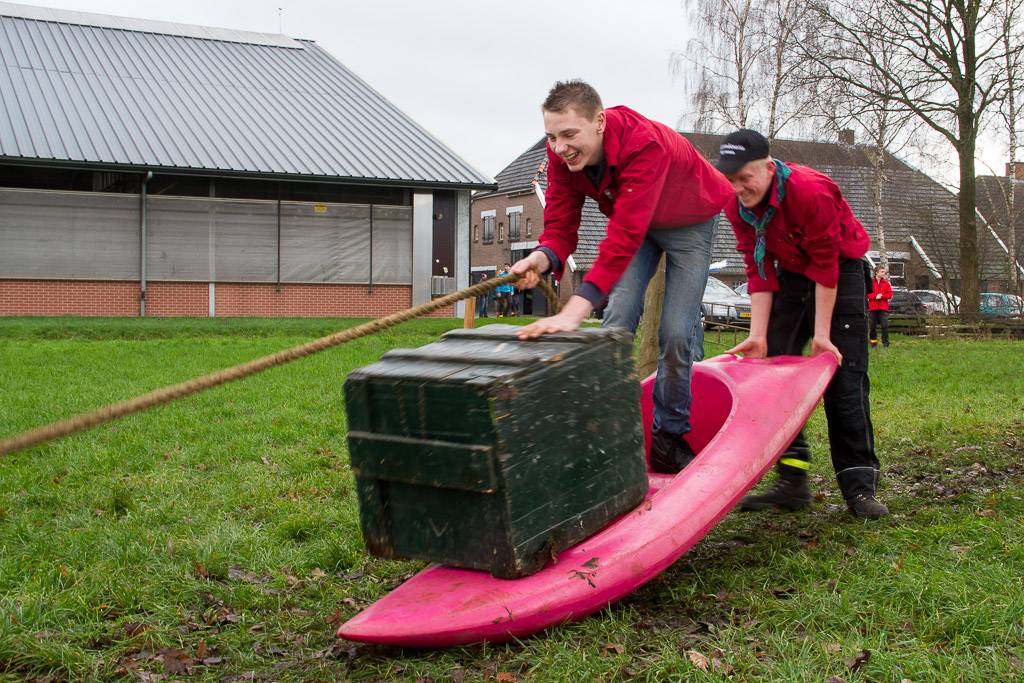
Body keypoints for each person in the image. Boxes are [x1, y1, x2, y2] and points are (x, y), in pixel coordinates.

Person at [510, 80, 733, 473]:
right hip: (639, 225)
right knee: (615, 322)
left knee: (677, 332)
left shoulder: (643, 143)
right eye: (551, 136)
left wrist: (574, 311)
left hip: (690, 219)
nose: (560, 147)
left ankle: (670, 436)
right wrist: (542, 258)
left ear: (598, 122)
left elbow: (624, 236)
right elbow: (561, 223)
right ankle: (610, 430)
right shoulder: (562, 157)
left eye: (568, 134)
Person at [717, 129, 888, 519]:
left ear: (767, 165)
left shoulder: (810, 191)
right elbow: (757, 268)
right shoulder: (737, 206)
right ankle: (792, 482)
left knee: (843, 381)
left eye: (746, 177)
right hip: (792, 274)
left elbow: (826, 265)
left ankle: (860, 488)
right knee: (774, 377)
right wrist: (758, 336)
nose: (740, 188)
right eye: (732, 180)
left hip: (840, 271)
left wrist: (823, 336)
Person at [867, 265, 892, 348]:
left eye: (884, 272)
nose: (884, 273)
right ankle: (873, 343)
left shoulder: (886, 283)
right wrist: (875, 296)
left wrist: (882, 296)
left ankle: (885, 343)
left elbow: (890, 294)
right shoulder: (870, 282)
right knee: (872, 327)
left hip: (883, 308)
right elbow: (867, 294)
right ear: (876, 272)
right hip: (872, 308)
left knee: (885, 326)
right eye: (882, 272)